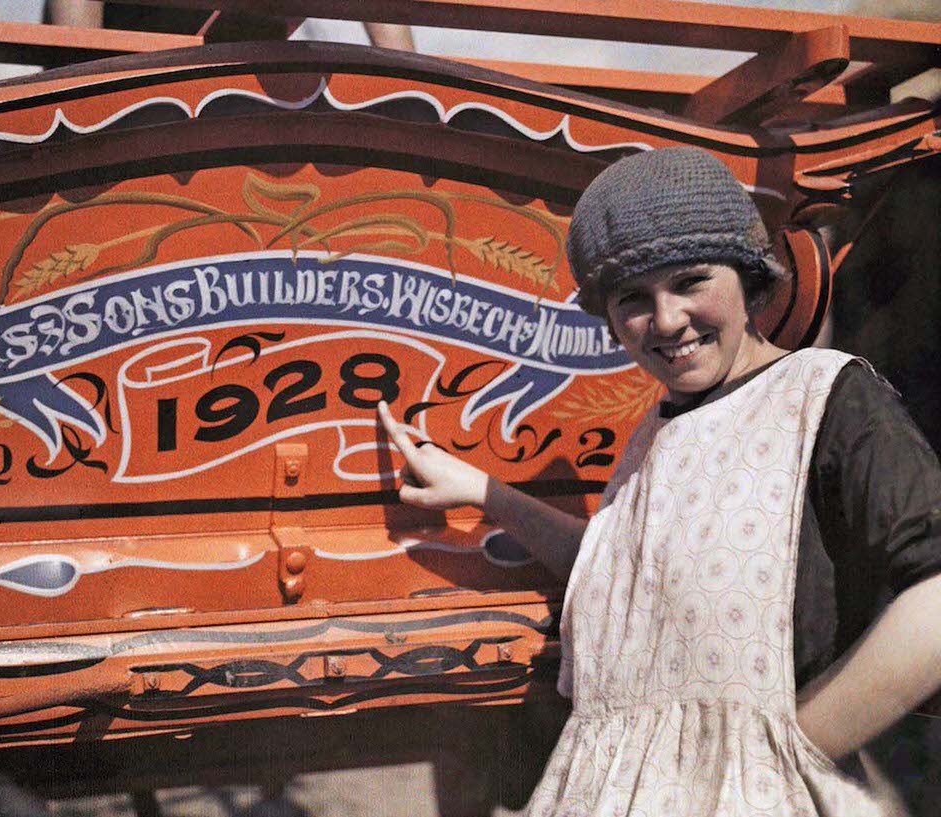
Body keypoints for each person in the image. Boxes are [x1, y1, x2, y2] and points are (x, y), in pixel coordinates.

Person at [377, 147, 941, 816]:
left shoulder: (826, 397)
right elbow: (618, 578)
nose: (667, 320)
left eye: (691, 281)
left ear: (748, 274)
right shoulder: (660, 429)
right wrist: (483, 493)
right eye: (633, 299)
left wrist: (797, 748)